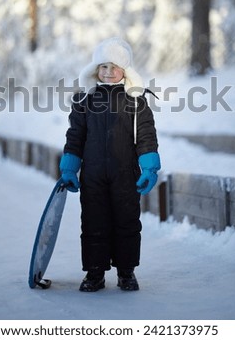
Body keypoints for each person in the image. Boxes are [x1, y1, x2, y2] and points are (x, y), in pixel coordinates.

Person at [59, 37, 161, 292]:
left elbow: (146, 134)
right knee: (93, 222)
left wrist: (149, 167)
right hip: (92, 174)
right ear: (95, 70)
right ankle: (95, 273)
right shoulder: (84, 100)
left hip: (125, 173)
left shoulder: (135, 100)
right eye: (103, 66)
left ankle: (126, 272)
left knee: (127, 222)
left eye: (115, 67)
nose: (108, 72)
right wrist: (70, 168)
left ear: (125, 71)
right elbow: (75, 136)